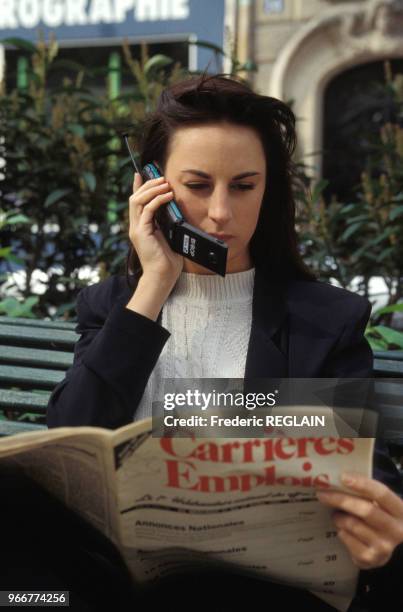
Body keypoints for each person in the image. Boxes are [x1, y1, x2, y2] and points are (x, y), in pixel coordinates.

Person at [40, 73, 403, 609]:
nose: (220, 214)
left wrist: (380, 528)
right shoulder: (114, 308)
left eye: (243, 185)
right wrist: (154, 285)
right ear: (154, 189)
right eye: (197, 185)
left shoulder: (324, 322)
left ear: (268, 189)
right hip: (115, 585)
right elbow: (68, 442)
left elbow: (358, 471)